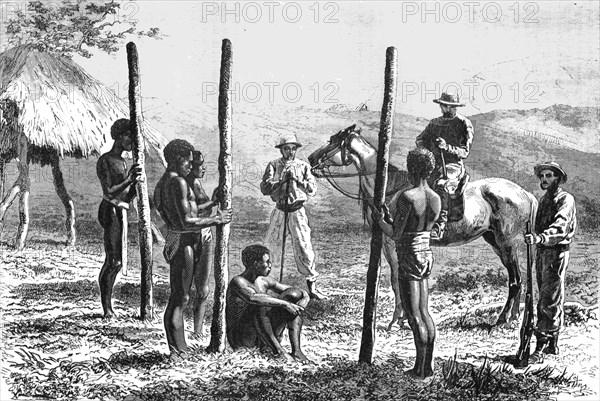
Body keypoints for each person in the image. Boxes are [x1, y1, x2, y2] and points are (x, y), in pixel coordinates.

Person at [154, 139, 233, 355]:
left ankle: (179, 347)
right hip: (182, 240)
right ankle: (177, 349)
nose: (191, 166)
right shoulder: (176, 182)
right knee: (180, 296)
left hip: (180, 238)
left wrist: (212, 203)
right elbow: (186, 221)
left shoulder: (165, 182)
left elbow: (190, 211)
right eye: (188, 162)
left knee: (181, 295)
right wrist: (217, 219)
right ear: (177, 159)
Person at [372, 148, 441, 380]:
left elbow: (396, 234)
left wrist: (379, 220)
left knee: (413, 316)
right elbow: (419, 226)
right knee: (425, 312)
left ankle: (420, 370)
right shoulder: (435, 197)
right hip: (426, 253)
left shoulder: (407, 197)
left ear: (411, 169)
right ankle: (427, 366)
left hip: (409, 255)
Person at [260, 134, 327, 300]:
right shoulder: (274, 165)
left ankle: (312, 288)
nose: (290, 152)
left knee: (304, 247)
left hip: (297, 211)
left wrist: (297, 181)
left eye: (293, 148)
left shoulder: (303, 166)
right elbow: (265, 188)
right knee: (270, 246)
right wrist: (281, 181)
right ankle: (265, 284)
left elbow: (312, 189)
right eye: (286, 148)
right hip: (280, 210)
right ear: (281, 150)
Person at [524, 162, 576, 364]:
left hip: (556, 251)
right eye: (542, 176)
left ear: (558, 178)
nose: (544, 179)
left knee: (550, 297)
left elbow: (560, 226)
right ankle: (550, 343)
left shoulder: (565, 199)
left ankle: (545, 343)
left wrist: (540, 238)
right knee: (543, 295)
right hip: (543, 251)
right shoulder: (544, 200)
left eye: (549, 176)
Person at [226, 244, 311, 362]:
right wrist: (285, 304)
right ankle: (279, 352)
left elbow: (293, 290)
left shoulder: (264, 281)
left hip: (262, 334)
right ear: (255, 264)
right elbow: (253, 298)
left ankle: (297, 351)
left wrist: (305, 296)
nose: (270, 265)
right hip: (243, 337)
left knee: (292, 295)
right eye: (267, 262)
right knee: (262, 304)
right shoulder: (238, 281)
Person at [96, 118, 142, 319]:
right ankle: (106, 308)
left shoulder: (123, 161)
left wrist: (135, 185)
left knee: (117, 262)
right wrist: (129, 180)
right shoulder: (105, 160)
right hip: (110, 209)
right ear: (120, 136)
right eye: (129, 136)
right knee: (113, 261)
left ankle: (108, 306)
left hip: (120, 210)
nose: (132, 140)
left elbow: (126, 195)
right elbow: (110, 191)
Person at [416, 92, 473, 240]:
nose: (447, 109)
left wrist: (446, 146)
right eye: (444, 106)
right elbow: (420, 139)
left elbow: (464, 152)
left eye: (450, 107)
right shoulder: (434, 122)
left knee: (441, 184)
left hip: (453, 166)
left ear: (455, 107)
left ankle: (439, 224)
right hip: (433, 164)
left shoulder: (463, 123)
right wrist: (425, 149)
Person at [184, 150, 219, 337]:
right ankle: (192, 330)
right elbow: (194, 212)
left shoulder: (195, 183)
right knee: (190, 288)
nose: (203, 168)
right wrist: (213, 202)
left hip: (203, 233)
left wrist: (213, 202)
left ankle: (197, 331)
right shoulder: (186, 185)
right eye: (199, 165)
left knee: (202, 288)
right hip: (194, 234)